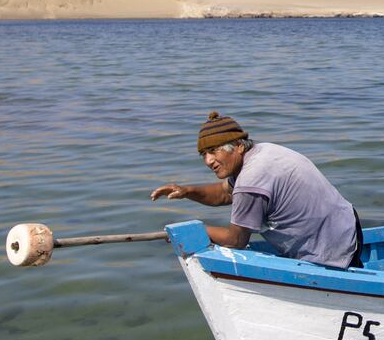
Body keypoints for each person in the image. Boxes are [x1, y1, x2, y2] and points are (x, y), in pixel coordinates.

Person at [149, 112, 361, 268]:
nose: (208, 161)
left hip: (332, 246)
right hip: (347, 223)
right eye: (203, 154)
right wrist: (187, 191)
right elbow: (225, 193)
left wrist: (195, 230)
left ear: (239, 146)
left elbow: (236, 241)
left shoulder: (251, 179)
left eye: (213, 151)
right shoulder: (262, 151)